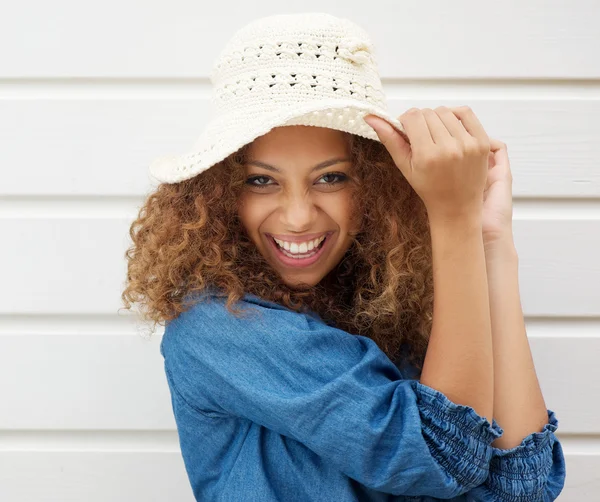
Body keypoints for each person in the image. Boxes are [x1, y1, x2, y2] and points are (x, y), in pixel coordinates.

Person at [121, 12, 565, 502]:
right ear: (219, 195)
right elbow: (446, 455)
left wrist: (489, 244)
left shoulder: (385, 305)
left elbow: (521, 489)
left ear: (373, 188)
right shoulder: (217, 325)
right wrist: (452, 216)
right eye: (260, 180)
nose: (296, 217)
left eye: (331, 177)